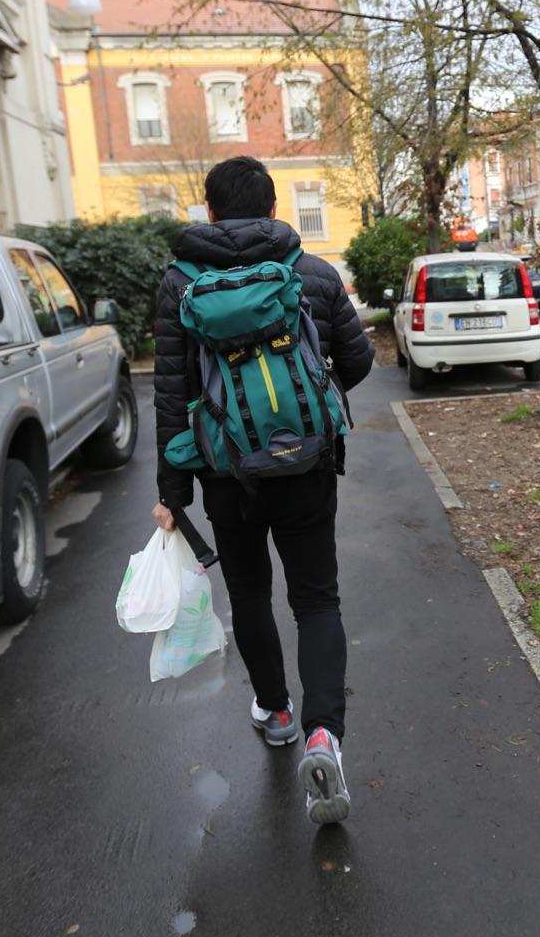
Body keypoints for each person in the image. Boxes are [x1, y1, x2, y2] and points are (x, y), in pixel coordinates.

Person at [151, 156, 374, 826]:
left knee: (249, 594)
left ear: (210, 213)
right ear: (274, 209)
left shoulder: (179, 282)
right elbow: (358, 361)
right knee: (316, 599)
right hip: (306, 463)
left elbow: (171, 393)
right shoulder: (312, 271)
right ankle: (323, 735)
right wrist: (315, 394)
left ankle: (276, 711)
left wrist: (173, 492)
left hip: (226, 473)